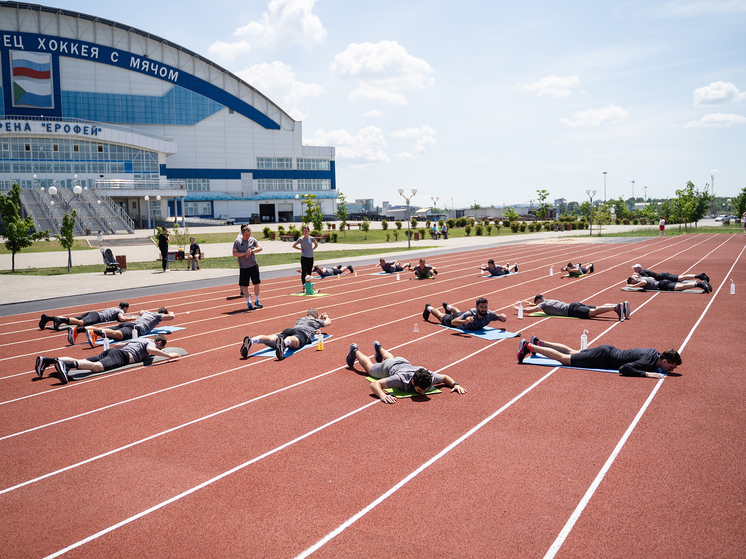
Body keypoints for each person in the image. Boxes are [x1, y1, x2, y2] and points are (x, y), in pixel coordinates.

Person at [345, 341, 467, 404]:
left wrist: (455, 384)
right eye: (420, 390)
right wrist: (382, 395)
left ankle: (379, 348)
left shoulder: (429, 378)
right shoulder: (400, 380)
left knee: (390, 357)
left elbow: (445, 377)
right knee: (369, 367)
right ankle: (354, 350)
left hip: (403, 361)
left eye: (425, 390)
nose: (423, 393)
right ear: (413, 382)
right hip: (389, 367)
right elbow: (374, 384)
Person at [34, 335, 181, 385]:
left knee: (83, 361)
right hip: (120, 357)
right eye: (161, 347)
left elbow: (118, 344)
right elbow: (150, 350)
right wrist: (169, 356)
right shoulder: (150, 342)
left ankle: (47, 360)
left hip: (113, 351)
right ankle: (66, 365)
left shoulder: (139, 339)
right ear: (159, 343)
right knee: (96, 367)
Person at [517, 336, 682, 379]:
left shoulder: (653, 352)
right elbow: (624, 369)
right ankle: (529, 346)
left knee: (573, 351)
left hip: (607, 349)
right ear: (665, 361)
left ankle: (540, 342)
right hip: (603, 359)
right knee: (564, 359)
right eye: (671, 367)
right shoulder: (648, 363)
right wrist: (646, 374)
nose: (670, 370)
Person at [239, 308, 331, 360]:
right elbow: (328, 322)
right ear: (315, 316)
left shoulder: (300, 319)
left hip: (290, 330)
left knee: (270, 338)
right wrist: (325, 317)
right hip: (302, 334)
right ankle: (284, 343)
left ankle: (252, 340)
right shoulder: (316, 321)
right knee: (294, 341)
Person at [85, 308, 176, 346]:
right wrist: (170, 312)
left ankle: (80, 329)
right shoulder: (157, 316)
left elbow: (140, 311)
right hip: (135, 328)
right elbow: (172, 317)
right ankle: (94, 332)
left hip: (127, 324)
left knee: (106, 331)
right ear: (163, 313)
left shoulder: (147, 313)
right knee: (118, 335)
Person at [39, 301, 135, 333]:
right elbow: (121, 318)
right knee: (81, 324)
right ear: (125, 307)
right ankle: (59, 320)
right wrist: (131, 318)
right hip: (97, 317)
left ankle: (49, 318)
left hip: (93, 313)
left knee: (74, 320)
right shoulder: (120, 310)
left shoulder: (114, 308)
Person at [516, 295, 629, 321]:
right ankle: (621, 305)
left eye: (536, 303)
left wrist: (518, 308)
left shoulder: (543, 305)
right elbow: (535, 306)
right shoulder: (548, 301)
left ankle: (616, 307)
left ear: (539, 301)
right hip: (574, 305)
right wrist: (530, 303)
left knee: (593, 313)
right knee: (598, 307)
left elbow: (531, 311)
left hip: (571, 311)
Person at [423, 297, 507, 330]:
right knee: (441, 316)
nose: (484, 309)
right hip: (457, 321)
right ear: (476, 307)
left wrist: (503, 318)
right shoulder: (470, 314)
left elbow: (500, 318)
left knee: (459, 312)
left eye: (485, 307)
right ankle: (429, 308)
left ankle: (447, 307)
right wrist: (464, 322)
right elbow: (453, 322)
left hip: (462, 314)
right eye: (481, 307)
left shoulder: (489, 314)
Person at [232, 225, 264, 310]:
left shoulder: (252, 240)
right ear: (242, 234)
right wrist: (244, 254)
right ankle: (249, 303)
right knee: (245, 286)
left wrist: (252, 251)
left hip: (253, 265)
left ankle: (257, 301)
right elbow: (234, 253)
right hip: (244, 267)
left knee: (256, 283)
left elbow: (260, 248)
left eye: (249, 235)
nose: (248, 237)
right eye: (246, 235)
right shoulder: (237, 241)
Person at [630, 263, 709, 283]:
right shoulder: (643, 271)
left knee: (680, 278)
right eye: (634, 268)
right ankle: (699, 276)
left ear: (639, 268)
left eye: (635, 268)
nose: (634, 270)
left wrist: (639, 277)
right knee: (680, 279)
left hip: (663, 277)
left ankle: (699, 276)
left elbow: (651, 278)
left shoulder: (643, 271)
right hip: (663, 276)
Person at [626, 275, 711, 293]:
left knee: (680, 287)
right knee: (679, 286)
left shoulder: (638, 281)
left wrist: (633, 286)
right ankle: (700, 284)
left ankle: (700, 285)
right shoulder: (642, 277)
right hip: (662, 282)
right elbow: (651, 279)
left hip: (660, 285)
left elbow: (644, 283)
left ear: (632, 281)